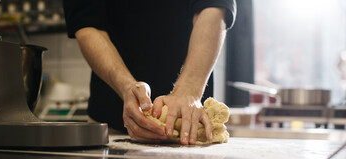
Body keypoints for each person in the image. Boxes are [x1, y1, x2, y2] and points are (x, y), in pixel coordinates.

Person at [62, 0, 236, 144]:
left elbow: (214, 6)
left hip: (190, 121)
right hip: (112, 125)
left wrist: (189, 89)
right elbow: (87, 23)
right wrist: (127, 87)